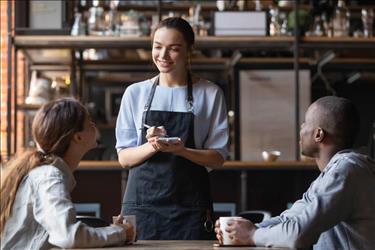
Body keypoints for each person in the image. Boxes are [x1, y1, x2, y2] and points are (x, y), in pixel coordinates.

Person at [115, 17, 229, 240]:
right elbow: (125, 158)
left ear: (189, 51)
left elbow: (218, 158)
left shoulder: (210, 93)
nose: (163, 56)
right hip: (142, 209)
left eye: (174, 49)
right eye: (157, 47)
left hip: (190, 209)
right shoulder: (135, 93)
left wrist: (181, 150)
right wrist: (153, 146)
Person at [215, 96, 375, 249]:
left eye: (305, 123)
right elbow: (290, 219)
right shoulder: (332, 173)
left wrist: (252, 234)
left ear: (318, 134)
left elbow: (299, 233)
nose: (301, 128)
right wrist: (239, 229)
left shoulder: (346, 170)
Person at [0, 98, 135, 250]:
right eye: (89, 121)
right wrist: (120, 233)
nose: (94, 125)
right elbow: (70, 236)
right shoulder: (49, 177)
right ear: (78, 137)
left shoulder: (46, 172)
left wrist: (111, 230)